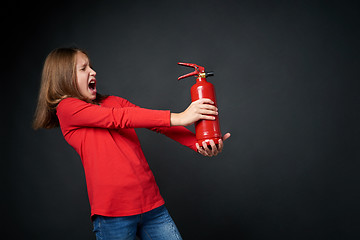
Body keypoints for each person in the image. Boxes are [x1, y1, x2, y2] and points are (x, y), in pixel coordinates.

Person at [33, 47, 230, 240]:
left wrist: (198, 143)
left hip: (152, 206)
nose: (93, 71)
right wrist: (180, 117)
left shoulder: (114, 101)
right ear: (64, 78)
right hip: (113, 215)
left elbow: (156, 125)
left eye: (90, 67)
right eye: (83, 68)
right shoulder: (67, 109)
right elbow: (117, 118)